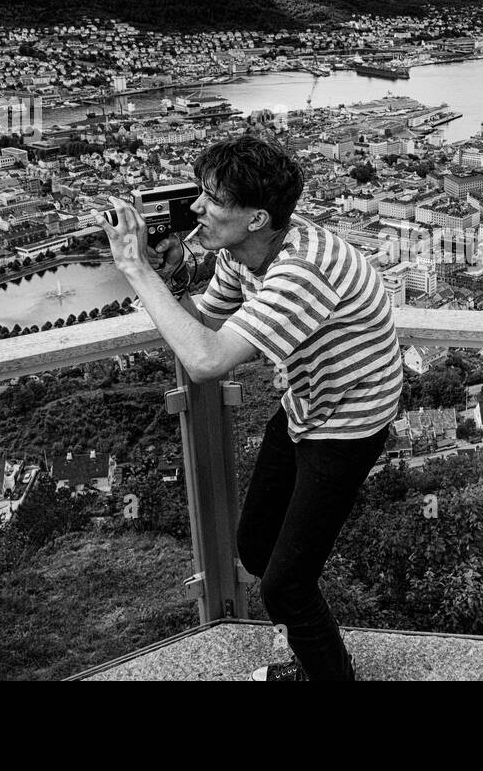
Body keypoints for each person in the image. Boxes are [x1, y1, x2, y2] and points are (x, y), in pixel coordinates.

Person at [99, 135, 402, 681]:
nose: (196, 208)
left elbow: (206, 361)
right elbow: (207, 323)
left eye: (212, 200)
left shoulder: (304, 270)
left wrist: (135, 271)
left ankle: (332, 675)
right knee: (256, 547)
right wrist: (169, 276)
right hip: (305, 404)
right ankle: (314, 655)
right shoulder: (244, 254)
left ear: (258, 217)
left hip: (352, 421)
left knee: (285, 582)